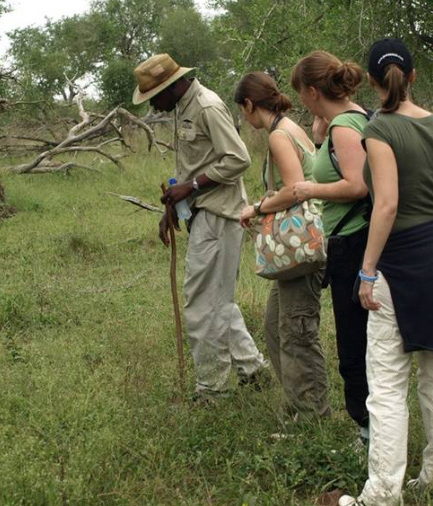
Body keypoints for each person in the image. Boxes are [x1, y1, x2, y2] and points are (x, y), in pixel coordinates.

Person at [339, 38, 433, 506]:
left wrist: (365, 271)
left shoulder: (379, 129)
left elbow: (386, 204)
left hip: (399, 262)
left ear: (374, 83)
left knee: (386, 382)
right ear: (413, 76)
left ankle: (381, 494)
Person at [132, 54, 269, 400]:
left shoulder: (206, 106)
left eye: (155, 97)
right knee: (219, 302)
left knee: (200, 304)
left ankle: (212, 388)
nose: (154, 105)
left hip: (219, 214)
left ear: (172, 86)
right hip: (202, 213)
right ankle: (253, 370)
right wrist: (175, 208)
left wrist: (192, 188)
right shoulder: (182, 107)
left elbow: (239, 159)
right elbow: (196, 165)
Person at [234, 71, 329, 418]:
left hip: (300, 247)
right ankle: (297, 404)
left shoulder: (278, 135)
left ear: (249, 104)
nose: (243, 118)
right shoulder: (291, 127)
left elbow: (294, 188)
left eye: (242, 110)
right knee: (276, 327)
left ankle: (312, 416)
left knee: (297, 333)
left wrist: (257, 208)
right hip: (299, 245)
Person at [290, 51, 371, 439]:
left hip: (354, 243)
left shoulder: (345, 126)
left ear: (311, 90)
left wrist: (311, 188)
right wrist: (320, 139)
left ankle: (367, 433)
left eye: (301, 94)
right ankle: (371, 428)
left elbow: (357, 184)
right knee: (361, 342)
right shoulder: (351, 119)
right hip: (353, 239)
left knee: (354, 346)